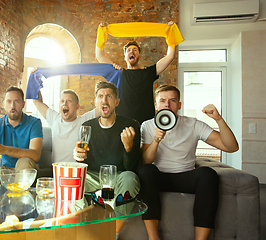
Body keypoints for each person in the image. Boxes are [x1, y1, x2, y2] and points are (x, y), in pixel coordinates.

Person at [138, 84, 239, 240]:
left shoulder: (193, 124)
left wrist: (218, 119)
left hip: (186, 176)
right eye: (163, 100)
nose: (167, 104)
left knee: (208, 174)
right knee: (145, 172)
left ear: (179, 105)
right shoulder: (148, 125)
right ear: (156, 105)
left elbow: (231, 147)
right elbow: (145, 161)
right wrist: (156, 140)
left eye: (172, 100)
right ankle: (153, 237)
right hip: (159, 176)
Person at [73, 81, 141, 239]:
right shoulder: (87, 126)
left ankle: (113, 232)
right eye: (100, 96)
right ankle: (83, 228)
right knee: (74, 178)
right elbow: (83, 164)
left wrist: (128, 147)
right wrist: (78, 156)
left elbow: (132, 167)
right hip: (95, 176)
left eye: (109, 96)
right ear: (95, 102)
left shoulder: (131, 126)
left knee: (131, 178)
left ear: (116, 102)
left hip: (119, 176)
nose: (104, 100)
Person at [95, 21, 176, 124]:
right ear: (125, 57)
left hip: (146, 126)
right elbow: (100, 56)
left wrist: (170, 32)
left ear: (139, 56)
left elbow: (170, 56)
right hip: (122, 126)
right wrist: (101, 33)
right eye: (128, 50)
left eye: (135, 50)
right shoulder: (119, 74)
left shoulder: (148, 73)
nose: (131, 52)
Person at [33, 89, 99, 163]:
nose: (65, 104)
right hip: (56, 171)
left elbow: (101, 108)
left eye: (69, 101)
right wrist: (35, 83)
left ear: (77, 106)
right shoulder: (54, 119)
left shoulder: (84, 120)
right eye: (62, 101)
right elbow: (36, 101)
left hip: (76, 170)